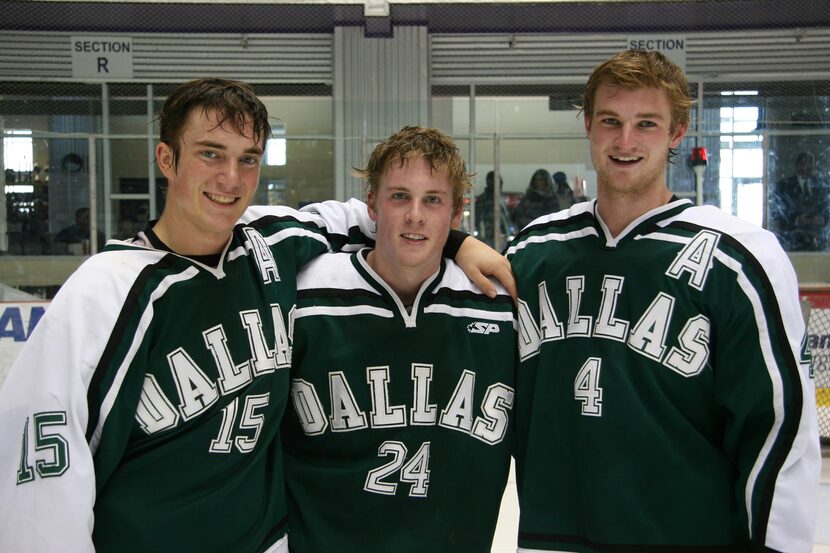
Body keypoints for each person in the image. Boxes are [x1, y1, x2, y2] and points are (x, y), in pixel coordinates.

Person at [0, 79, 512, 553]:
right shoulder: (103, 291)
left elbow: (365, 215)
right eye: (210, 154)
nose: (230, 177)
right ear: (166, 158)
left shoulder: (270, 241)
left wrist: (460, 243)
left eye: (248, 159)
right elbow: (38, 477)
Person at [506, 50, 820, 552]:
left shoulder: (738, 258)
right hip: (552, 538)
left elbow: (779, 429)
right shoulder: (531, 251)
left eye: (645, 124)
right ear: (588, 124)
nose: (625, 141)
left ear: (677, 132)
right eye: (610, 120)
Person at [282, 126, 516, 552]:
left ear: (457, 212)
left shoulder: (498, 306)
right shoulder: (305, 297)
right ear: (371, 204)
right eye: (399, 197)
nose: (415, 215)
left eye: (433, 200)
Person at [770, 151, 830, 251]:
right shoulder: (783, 186)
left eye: (810, 163)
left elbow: (827, 206)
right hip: (792, 242)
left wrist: (823, 219)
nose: (807, 166)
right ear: (797, 165)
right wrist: (797, 219)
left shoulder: (822, 185)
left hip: (819, 243)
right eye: (803, 163)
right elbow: (777, 212)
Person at [474, 169, 513, 248]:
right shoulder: (483, 199)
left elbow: (505, 217)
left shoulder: (500, 198)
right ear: (489, 183)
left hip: (502, 235)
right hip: (487, 236)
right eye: (494, 182)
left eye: (500, 182)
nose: (499, 184)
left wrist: (507, 232)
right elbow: (478, 219)